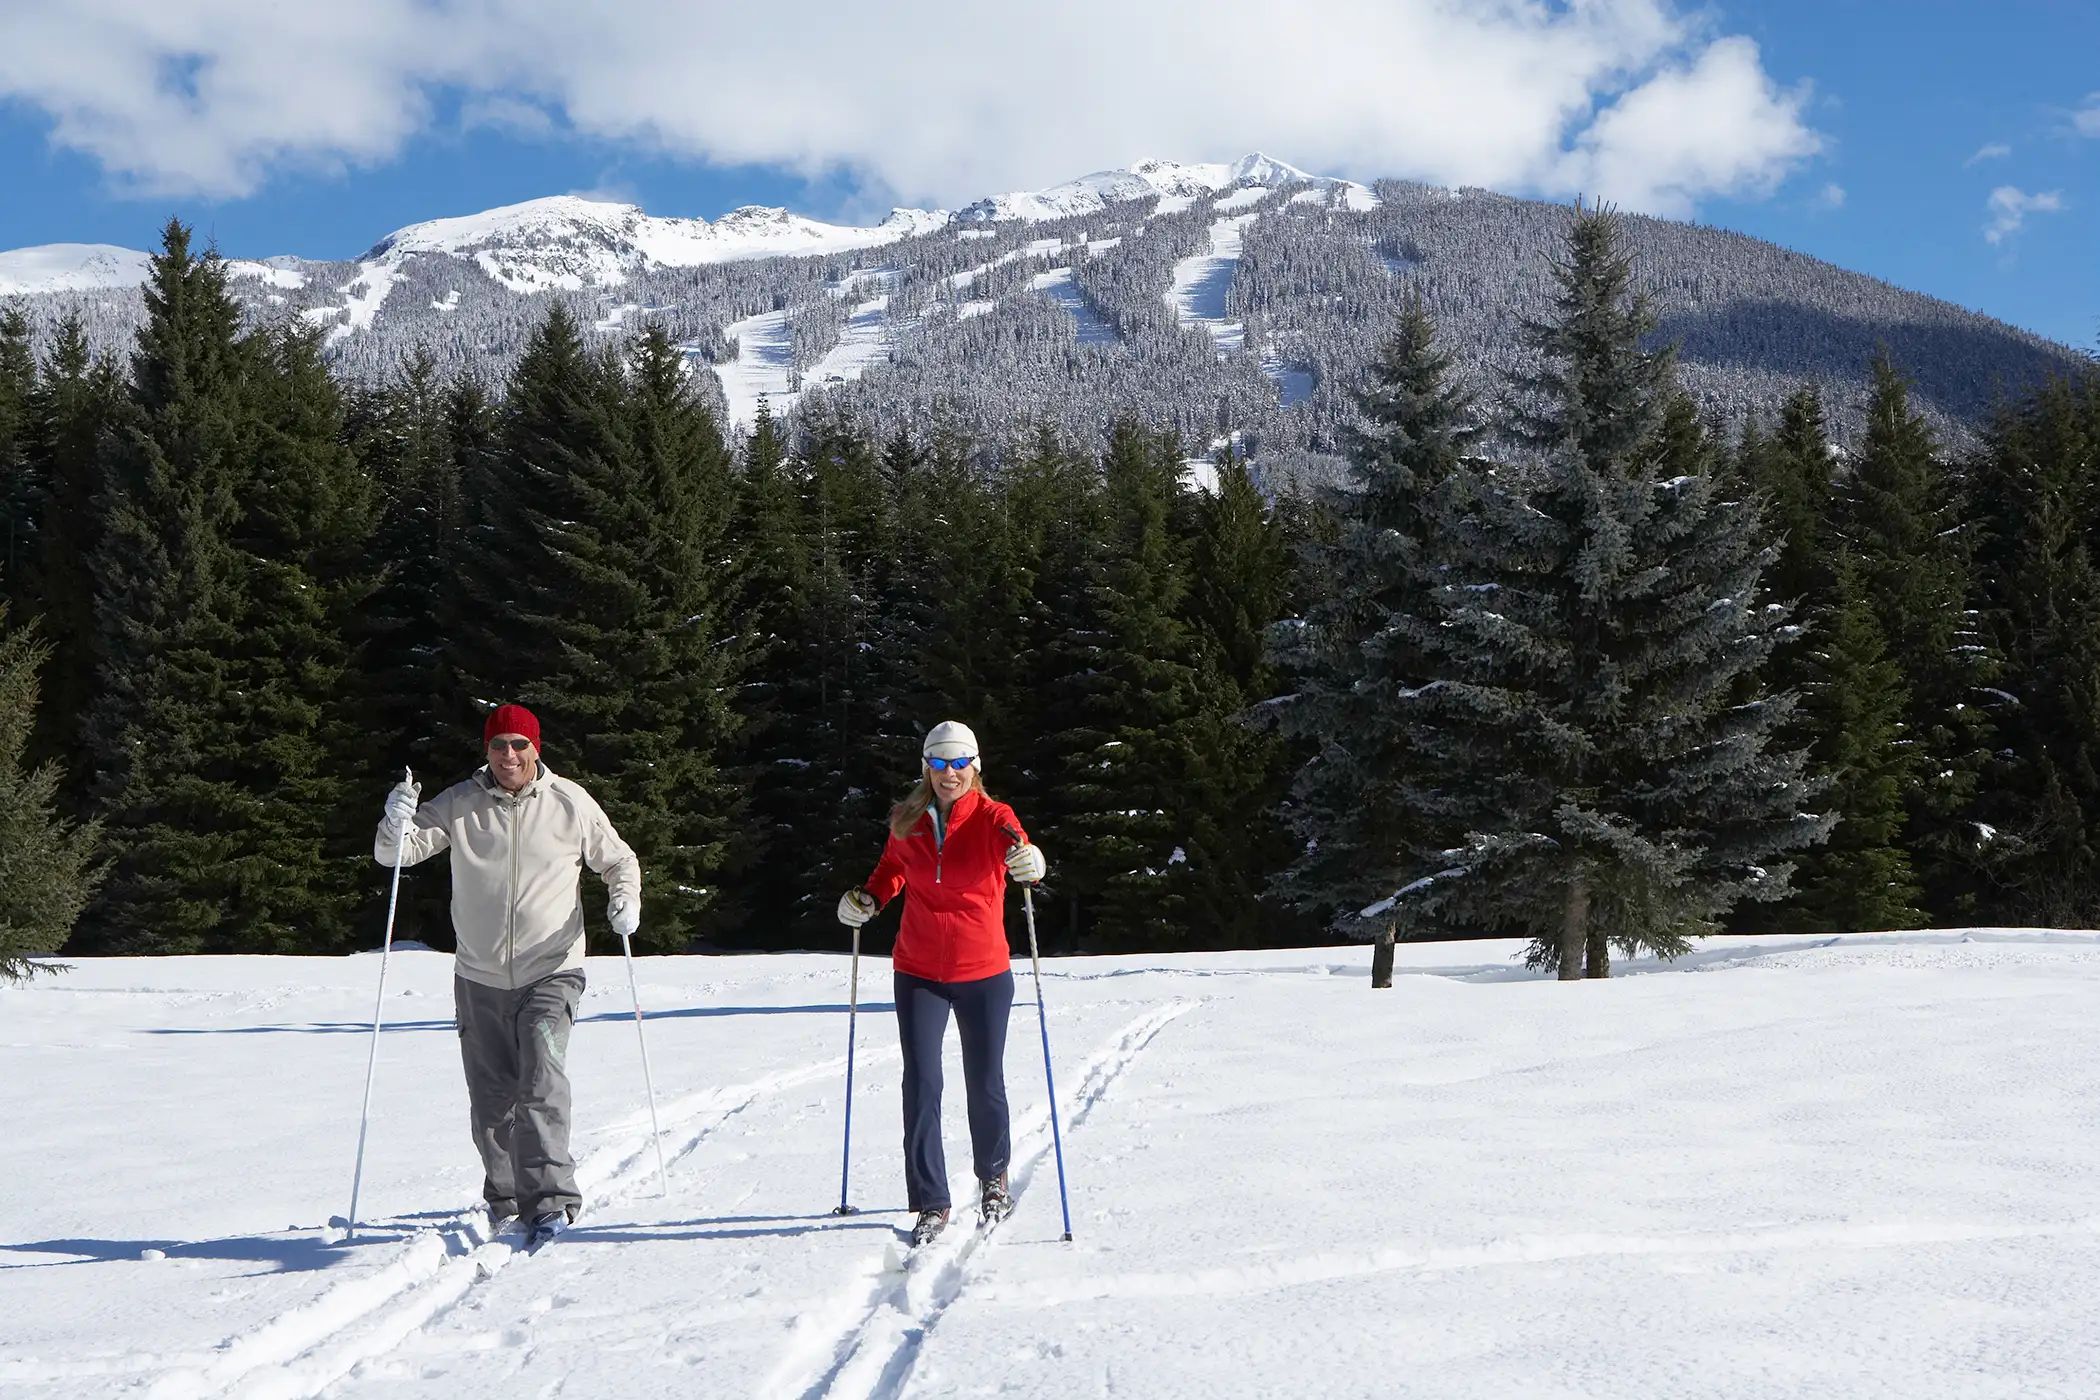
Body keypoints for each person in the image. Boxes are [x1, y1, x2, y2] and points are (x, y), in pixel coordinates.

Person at [374, 703, 641, 1250]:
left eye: (519, 745)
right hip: (478, 974)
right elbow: (395, 856)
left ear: (536, 748)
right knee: (492, 1098)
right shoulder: (461, 803)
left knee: (541, 1082)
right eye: (499, 745)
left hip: (553, 968)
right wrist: (394, 819)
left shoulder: (570, 802)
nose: (509, 755)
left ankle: (550, 1201)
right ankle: (505, 1198)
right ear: (487, 750)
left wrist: (625, 901)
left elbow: (618, 860)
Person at [837, 721, 1048, 1246]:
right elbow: (891, 870)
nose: (949, 773)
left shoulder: (994, 817)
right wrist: (868, 898)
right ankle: (931, 1200)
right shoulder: (905, 819)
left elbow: (1021, 854)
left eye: (958, 763)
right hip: (918, 970)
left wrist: (1032, 863)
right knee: (922, 1082)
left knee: (984, 1079)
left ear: (974, 766)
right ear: (925, 767)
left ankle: (993, 1178)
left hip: (983, 971)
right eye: (939, 762)